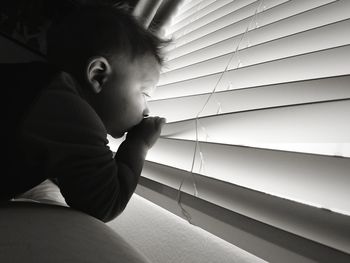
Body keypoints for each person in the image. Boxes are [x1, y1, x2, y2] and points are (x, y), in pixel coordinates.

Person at [2, 4, 167, 222]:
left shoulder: (43, 88)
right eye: (144, 93)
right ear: (98, 75)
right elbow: (106, 202)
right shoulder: (69, 110)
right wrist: (138, 145)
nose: (146, 109)